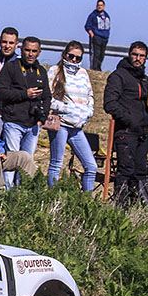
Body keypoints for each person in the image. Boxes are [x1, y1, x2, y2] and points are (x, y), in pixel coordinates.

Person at [103, 41, 148, 200]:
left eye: (142, 56)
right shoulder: (118, 76)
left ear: (146, 58)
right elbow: (110, 104)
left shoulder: (145, 80)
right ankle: (120, 208)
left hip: (142, 133)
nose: (138, 59)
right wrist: (129, 120)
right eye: (135, 55)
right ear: (129, 55)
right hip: (125, 132)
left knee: (140, 173)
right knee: (125, 171)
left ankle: (136, 209)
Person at [45, 41, 96, 191]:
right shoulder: (55, 71)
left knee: (91, 166)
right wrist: (65, 108)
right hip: (61, 123)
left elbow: (90, 95)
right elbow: (48, 98)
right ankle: (53, 197)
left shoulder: (83, 74)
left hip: (78, 126)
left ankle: (88, 203)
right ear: (64, 55)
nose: (74, 60)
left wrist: (89, 111)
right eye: (71, 56)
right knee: (57, 163)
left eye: (78, 58)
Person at [0, 35, 50, 156]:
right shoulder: (11, 67)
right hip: (13, 123)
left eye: (34, 51)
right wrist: (24, 94)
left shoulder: (41, 71)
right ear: (21, 49)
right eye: (27, 50)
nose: (30, 54)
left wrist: (42, 118)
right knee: (12, 161)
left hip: (33, 125)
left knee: (26, 165)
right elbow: (1, 92)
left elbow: (47, 97)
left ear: (39, 52)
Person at [84, 0, 111, 71]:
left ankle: (99, 68)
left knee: (101, 55)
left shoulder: (106, 15)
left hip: (104, 38)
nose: (100, 7)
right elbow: (87, 26)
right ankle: (94, 69)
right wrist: (92, 35)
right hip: (96, 37)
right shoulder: (93, 15)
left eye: (101, 5)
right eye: (98, 5)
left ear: (104, 6)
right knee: (95, 55)